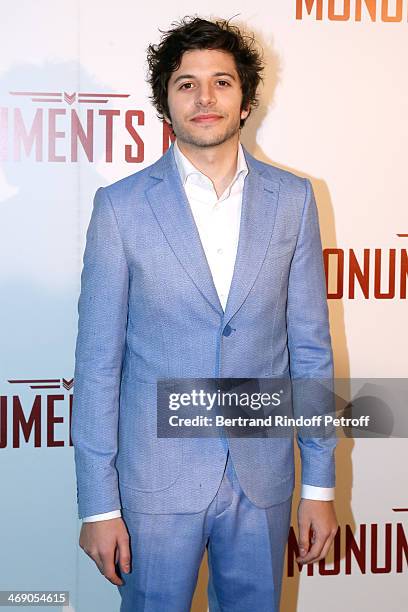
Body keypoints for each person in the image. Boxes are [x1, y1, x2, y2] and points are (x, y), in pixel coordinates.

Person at [71, 15, 338, 612]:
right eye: (186, 83)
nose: (205, 97)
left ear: (245, 100)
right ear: (165, 102)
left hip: (263, 479)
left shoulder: (293, 200)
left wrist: (318, 484)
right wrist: (98, 503)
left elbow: (311, 352)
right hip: (153, 483)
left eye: (221, 81)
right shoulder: (120, 209)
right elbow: (96, 368)